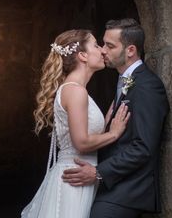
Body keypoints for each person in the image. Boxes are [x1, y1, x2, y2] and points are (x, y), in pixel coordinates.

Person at [61, 19, 169, 218]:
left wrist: (98, 172)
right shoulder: (124, 81)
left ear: (130, 51)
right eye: (102, 44)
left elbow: (144, 147)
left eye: (110, 46)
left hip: (129, 190)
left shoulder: (147, 86)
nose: (103, 50)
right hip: (110, 186)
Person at [21, 29, 130, 218]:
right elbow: (80, 142)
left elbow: (83, 131)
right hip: (74, 179)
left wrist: (104, 122)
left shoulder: (75, 89)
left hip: (79, 175)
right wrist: (114, 133)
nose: (103, 51)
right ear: (82, 55)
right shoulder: (75, 91)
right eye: (96, 45)